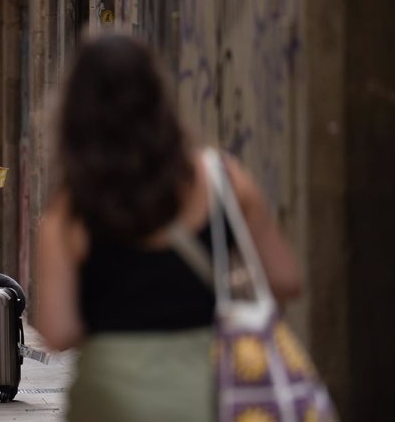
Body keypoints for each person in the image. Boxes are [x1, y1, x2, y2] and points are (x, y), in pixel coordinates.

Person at [36, 34, 302, 421]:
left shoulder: (70, 211)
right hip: (208, 391)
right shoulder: (223, 180)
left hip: (109, 397)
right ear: (160, 99)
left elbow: (57, 331)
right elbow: (287, 279)